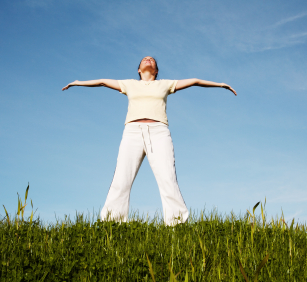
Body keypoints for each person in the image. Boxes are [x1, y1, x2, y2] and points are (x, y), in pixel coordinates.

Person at [62, 56, 236, 226]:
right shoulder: (129, 84)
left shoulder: (165, 84)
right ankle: (112, 222)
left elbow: (195, 81)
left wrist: (221, 84)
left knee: (167, 177)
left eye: (152, 60)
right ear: (139, 69)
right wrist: (78, 82)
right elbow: (102, 81)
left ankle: (177, 223)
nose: (148, 59)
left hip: (159, 132)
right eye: (144, 59)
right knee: (122, 177)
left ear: (157, 70)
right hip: (132, 132)